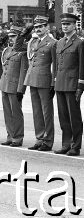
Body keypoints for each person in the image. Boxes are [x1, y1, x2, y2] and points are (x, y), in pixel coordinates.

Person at [24, 15, 56, 152]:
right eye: (36, 27)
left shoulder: (53, 42)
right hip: (33, 79)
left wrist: (53, 83)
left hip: (45, 81)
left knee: (46, 112)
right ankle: (39, 138)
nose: (38, 29)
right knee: (37, 111)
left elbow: (55, 65)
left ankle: (48, 141)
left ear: (47, 27)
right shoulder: (34, 41)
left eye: (41, 26)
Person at [53, 13, 84, 156]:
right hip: (60, 83)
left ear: (74, 26)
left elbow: (82, 66)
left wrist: (80, 85)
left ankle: (75, 146)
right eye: (63, 24)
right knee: (63, 116)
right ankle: (66, 144)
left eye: (68, 24)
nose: (65, 26)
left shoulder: (80, 43)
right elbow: (56, 64)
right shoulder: (59, 43)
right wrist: (54, 81)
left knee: (74, 117)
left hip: (72, 84)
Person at [0, 25, 28, 147]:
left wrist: (21, 89)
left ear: (19, 37)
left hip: (15, 86)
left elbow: (23, 71)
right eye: (9, 36)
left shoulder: (23, 51)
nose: (11, 39)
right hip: (4, 84)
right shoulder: (6, 50)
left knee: (16, 113)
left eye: (14, 36)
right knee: (7, 112)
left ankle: (18, 137)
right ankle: (10, 135)